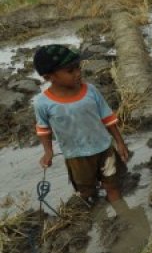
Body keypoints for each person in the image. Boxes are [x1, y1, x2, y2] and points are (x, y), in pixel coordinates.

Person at [32, 44, 130, 203]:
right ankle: (99, 219)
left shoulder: (90, 91)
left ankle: (123, 217)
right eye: (70, 71)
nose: (78, 73)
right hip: (76, 157)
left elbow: (108, 118)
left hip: (104, 150)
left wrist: (120, 142)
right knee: (86, 192)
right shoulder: (42, 103)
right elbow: (43, 129)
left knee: (112, 186)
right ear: (48, 77)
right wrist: (48, 152)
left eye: (78, 67)